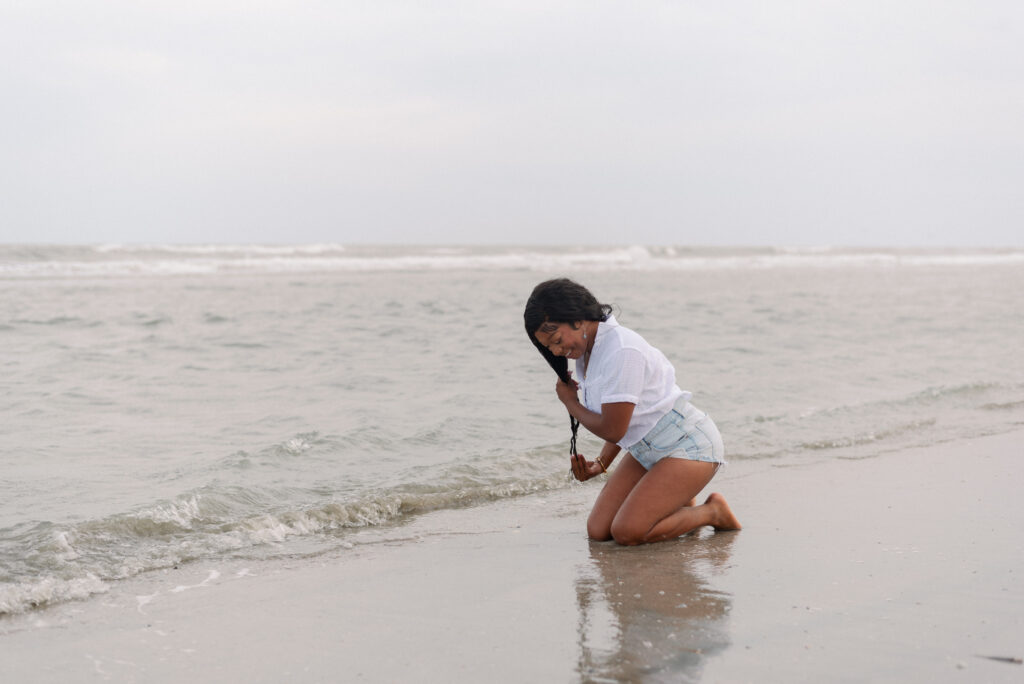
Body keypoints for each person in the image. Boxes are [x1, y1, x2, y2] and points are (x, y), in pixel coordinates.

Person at [524, 278, 741, 545]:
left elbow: (614, 428)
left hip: (688, 447)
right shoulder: (588, 352)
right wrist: (601, 464)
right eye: (549, 347)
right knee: (599, 530)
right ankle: (678, 501)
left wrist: (570, 403)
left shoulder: (621, 349)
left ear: (577, 318)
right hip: (647, 450)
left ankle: (712, 512)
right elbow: (624, 419)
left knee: (627, 533)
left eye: (557, 340)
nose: (558, 351)